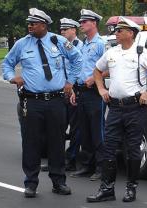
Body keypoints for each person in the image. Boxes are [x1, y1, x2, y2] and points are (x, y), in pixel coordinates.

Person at [86, 17, 147, 203]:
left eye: (119, 30)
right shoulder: (111, 53)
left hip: (135, 108)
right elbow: (97, 71)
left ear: (130, 33)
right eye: (115, 30)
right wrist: (101, 89)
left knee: (132, 150)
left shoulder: (142, 53)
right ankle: (107, 189)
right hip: (115, 108)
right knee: (109, 148)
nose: (116, 32)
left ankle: (131, 188)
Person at [1, 8, 82, 198]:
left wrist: (70, 81)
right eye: (29, 23)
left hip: (56, 100)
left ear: (44, 25)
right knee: (31, 143)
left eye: (33, 23)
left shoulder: (58, 41)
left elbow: (77, 59)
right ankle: (30, 183)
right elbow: (7, 63)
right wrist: (12, 77)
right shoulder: (22, 44)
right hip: (32, 101)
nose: (29, 26)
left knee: (57, 141)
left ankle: (58, 182)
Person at [70, 9, 106, 181]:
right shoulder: (84, 44)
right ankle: (87, 165)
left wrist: (95, 78)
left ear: (93, 23)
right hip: (81, 91)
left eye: (84, 22)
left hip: (94, 92)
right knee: (85, 131)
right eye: (81, 22)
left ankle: (101, 167)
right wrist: (75, 90)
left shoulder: (101, 43)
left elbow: (110, 67)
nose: (81, 25)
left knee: (97, 131)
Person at [60, 17, 83, 171]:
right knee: (58, 127)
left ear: (73, 30)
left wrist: (72, 87)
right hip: (61, 90)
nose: (62, 32)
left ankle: (71, 159)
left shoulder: (80, 47)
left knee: (75, 128)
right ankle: (58, 159)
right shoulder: (60, 45)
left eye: (65, 29)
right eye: (61, 29)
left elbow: (79, 69)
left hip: (74, 90)